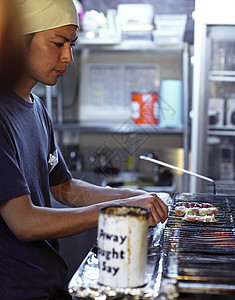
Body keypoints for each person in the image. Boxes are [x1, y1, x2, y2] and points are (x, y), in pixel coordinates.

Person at [0, 0, 168, 299]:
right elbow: (24, 222)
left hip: (48, 280)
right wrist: (121, 210)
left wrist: (131, 196)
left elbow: (64, 188)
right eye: (58, 43)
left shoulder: (36, 108)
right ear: (18, 42)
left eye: (72, 44)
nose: (69, 56)